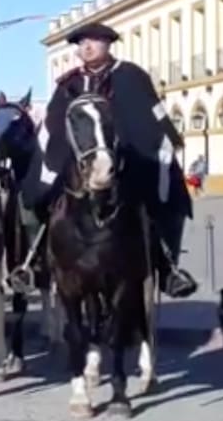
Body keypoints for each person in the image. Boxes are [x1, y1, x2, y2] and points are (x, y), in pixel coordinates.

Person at [22, 21, 198, 298]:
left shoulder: (130, 77)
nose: (87, 47)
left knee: (163, 198)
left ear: (108, 44)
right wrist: (52, 161)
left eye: (93, 41)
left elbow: (149, 119)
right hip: (78, 165)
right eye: (82, 43)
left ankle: (167, 267)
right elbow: (52, 128)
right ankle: (34, 263)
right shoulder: (69, 84)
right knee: (34, 200)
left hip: (126, 161)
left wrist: (141, 147)